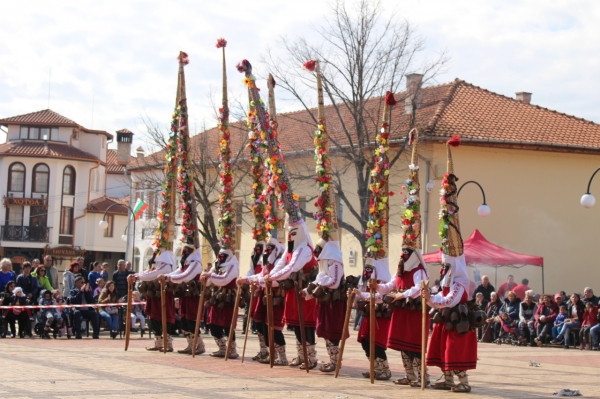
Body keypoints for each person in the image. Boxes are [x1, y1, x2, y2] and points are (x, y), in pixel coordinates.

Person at [422, 137, 477, 393]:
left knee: (455, 349)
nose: (443, 260)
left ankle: (462, 381)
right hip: (444, 318)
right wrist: (431, 294)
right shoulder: (447, 274)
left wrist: (430, 300)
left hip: (456, 318)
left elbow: (452, 299)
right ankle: (446, 378)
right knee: (442, 348)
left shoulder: (461, 279)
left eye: (447, 257)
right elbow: (441, 292)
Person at [265, 221, 320, 370]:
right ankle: (301, 355)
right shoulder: (290, 249)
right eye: (289, 232)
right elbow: (281, 264)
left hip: (305, 292)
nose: (290, 236)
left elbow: (292, 267)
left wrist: (273, 277)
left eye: (294, 232)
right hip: (292, 290)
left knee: (306, 325)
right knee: (295, 324)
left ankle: (311, 357)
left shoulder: (304, 249)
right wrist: (270, 276)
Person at [244, 238, 288, 365]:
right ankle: (271, 353)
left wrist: (258, 281)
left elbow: (275, 279)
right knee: (261, 325)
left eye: (269, 249)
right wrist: (248, 279)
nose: (266, 251)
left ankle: (282, 357)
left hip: (275, 298)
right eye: (266, 249)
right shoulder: (266, 264)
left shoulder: (280, 262)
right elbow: (261, 276)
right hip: (264, 296)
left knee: (274, 327)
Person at [309, 239, 348, 373]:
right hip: (325, 302)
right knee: (326, 331)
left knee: (332, 331)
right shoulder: (325, 263)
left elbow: (335, 282)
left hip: (334, 303)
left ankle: (335, 362)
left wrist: (321, 281)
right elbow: (320, 278)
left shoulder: (335, 262)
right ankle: (332, 360)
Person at [159, 244, 205, 355]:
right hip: (185, 295)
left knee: (191, 321)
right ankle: (190, 344)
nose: (184, 253)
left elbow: (186, 276)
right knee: (184, 321)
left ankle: (199, 345)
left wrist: (168, 278)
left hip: (193, 296)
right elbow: (178, 272)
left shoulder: (196, 263)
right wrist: (166, 276)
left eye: (186, 251)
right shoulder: (184, 264)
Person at [129, 250, 176, 352]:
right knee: (154, 319)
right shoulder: (155, 265)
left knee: (165, 319)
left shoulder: (167, 265)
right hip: (154, 295)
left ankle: (168, 344)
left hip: (163, 294)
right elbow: (147, 272)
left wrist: (137, 277)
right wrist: (135, 275)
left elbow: (154, 274)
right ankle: (158, 343)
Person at [201, 248, 240, 358]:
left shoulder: (233, 266)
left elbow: (224, 279)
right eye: (220, 256)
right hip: (217, 297)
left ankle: (232, 350)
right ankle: (222, 348)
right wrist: (205, 277)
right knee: (213, 324)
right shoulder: (217, 265)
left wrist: (210, 276)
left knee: (228, 326)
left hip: (228, 298)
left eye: (223, 256)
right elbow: (209, 282)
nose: (220, 258)